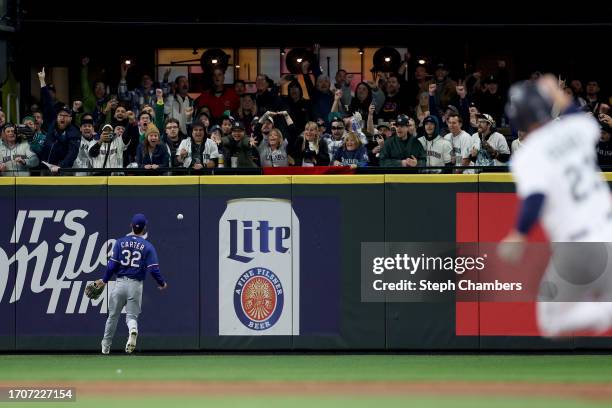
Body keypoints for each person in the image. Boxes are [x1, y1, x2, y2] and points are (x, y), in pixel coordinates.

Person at [501, 75, 612, 337]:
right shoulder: (577, 128)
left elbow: (535, 198)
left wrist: (519, 233)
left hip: (578, 248)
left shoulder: (528, 154)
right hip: (609, 232)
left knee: (551, 321)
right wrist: (557, 94)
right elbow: (574, 114)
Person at [96, 214, 167, 354]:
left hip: (120, 283)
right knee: (131, 317)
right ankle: (133, 330)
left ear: (131, 226)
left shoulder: (120, 242)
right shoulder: (148, 246)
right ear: (144, 228)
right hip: (135, 285)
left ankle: (105, 346)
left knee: (113, 316)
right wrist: (161, 283)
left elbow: (112, 266)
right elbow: (153, 269)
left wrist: (104, 280)